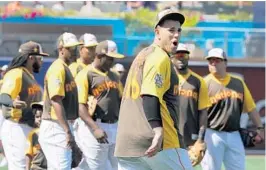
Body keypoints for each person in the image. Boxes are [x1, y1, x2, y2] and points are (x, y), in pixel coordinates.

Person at [115, 8, 193, 170]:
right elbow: (150, 95)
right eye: (170, 30)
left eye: (179, 30)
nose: (176, 34)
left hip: (127, 144)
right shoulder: (159, 57)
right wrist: (157, 130)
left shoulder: (142, 55)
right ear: (157, 32)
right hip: (159, 142)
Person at [201, 48, 265, 170]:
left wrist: (260, 128)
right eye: (210, 61)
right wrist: (198, 138)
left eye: (217, 60)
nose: (213, 63)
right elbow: (196, 112)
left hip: (234, 134)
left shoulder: (238, 83)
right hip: (212, 133)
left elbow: (251, 108)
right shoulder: (204, 83)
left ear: (225, 63)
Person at [75, 40, 124, 170]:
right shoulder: (86, 74)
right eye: (109, 58)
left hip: (114, 125)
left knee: (117, 167)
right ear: (99, 56)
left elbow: (122, 100)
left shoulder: (114, 75)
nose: (112, 62)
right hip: (94, 125)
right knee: (96, 167)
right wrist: (95, 128)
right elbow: (80, 106)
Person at [0, 41, 47, 170]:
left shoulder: (28, 75)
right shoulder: (16, 73)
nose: (42, 61)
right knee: (19, 167)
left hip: (27, 127)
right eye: (40, 57)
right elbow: (3, 96)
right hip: (16, 127)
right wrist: (12, 103)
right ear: (31, 58)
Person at [38, 32, 82, 169]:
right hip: (55, 126)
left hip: (60, 125)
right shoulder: (57, 69)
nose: (75, 52)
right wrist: (67, 131)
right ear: (61, 49)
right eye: (71, 48)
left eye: (76, 48)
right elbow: (56, 100)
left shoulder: (65, 68)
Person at [171, 43, 210, 166]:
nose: (181, 58)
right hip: (168, 135)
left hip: (190, 138)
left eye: (184, 55)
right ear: (172, 58)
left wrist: (200, 139)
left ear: (188, 57)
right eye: (178, 56)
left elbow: (203, 111)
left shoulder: (198, 81)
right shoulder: (167, 78)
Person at [26, 101, 47, 170]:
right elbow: (29, 154)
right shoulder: (33, 134)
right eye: (37, 117)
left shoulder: (54, 132)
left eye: (42, 116)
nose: (40, 119)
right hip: (37, 168)